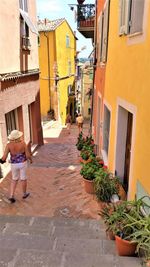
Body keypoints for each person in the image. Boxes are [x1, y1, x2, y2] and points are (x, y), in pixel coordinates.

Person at [0, 130, 32, 203]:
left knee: (14, 179)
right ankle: (24, 194)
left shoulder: (8, 145)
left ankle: (11, 196)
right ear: (18, 137)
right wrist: (31, 160)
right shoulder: (23, 143)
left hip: (14, 164)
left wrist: (1, 161)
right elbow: (27, 155)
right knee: (23, 178)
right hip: (22, 163)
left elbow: (4, 157)